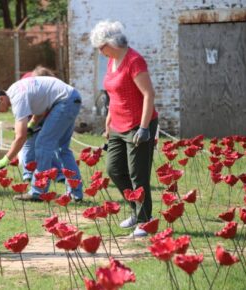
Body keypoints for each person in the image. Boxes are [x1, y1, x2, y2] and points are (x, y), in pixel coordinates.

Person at [90, 20, 158, 237]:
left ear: (110, 43)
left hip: (138, 125)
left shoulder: (134, 61)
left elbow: (149, 94)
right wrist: (108, 121)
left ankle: (145, 222)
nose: (100, 52)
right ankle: (135, 211)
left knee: (138, 174)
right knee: (114, 169)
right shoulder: (111, 61)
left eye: (101, 48)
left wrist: (145, 128)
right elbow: (113, 94)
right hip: (118, 125)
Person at [0, 76, 83, 201]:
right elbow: (40, 108)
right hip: (72, 97)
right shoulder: (15, 89)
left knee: (42, 144)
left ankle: (38, 192)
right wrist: (31, 125)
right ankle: (75, 193)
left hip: (64, 101)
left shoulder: (17, 99)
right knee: (61, 149)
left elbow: (20, 137)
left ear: (1, 99)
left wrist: (5, 160)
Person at [20, 66, 64, 183]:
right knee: (29, 142)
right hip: (29, 113)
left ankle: (57, 173)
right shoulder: (25, 83)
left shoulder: (53, 85)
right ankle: (28, 172)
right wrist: (29, 124)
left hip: (49, 114)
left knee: (52, 144)